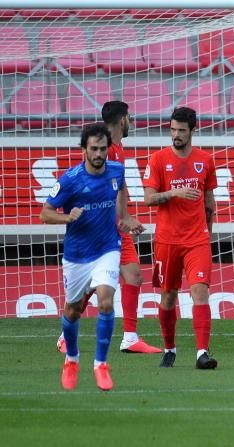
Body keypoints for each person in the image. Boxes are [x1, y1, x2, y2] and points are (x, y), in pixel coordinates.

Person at [41, 123, 142, 390]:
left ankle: (101, 364)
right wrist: (66, 216)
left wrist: (126, 218)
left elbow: (120, 190)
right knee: (73, 310)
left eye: (103, 148)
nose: (99, 153)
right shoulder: (70, 180)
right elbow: (45, 212)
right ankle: (72, 359)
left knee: (106, 301)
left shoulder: (117, 171)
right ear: (84, 149)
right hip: (77, 255)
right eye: (94, 149)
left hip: (107, 248)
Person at [56, 101, 161, 355]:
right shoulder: (107, 151)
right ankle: (66, 335)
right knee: (101, 282)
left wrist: (126, 216)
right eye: (130, 118)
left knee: (132, 276)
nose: (131, 122)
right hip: (104, 230)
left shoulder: (116, 149)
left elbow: (120, 187)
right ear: (122, 119)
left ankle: (130, 337)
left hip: (115, 227)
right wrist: (123, 219)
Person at [142, 107, 218, 369]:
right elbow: (148, 199)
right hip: (167, 240)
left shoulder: (205, 160)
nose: (176, 135)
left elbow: (209, 200)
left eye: (181, 131)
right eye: (173, 129)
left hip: (197, 239)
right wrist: (175, 193)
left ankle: (202, 354)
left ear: (192, 131)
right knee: (168, 297)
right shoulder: (158, 159)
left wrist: (207, 230)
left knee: (200, 292)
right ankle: (169, 349)